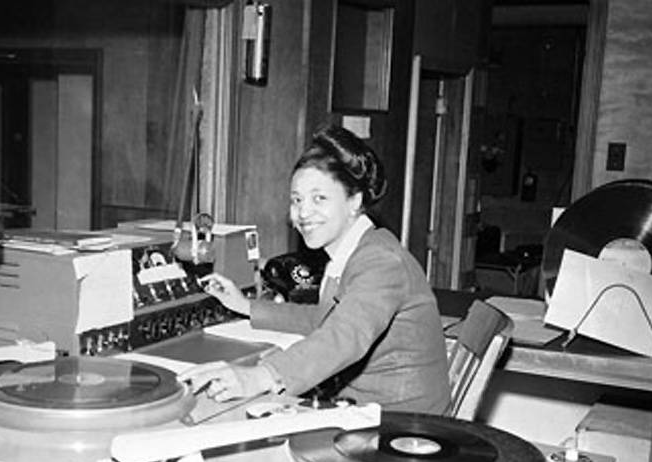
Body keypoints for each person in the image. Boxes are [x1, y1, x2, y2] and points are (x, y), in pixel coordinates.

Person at [179, 125, 451, 414]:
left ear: (354, 201)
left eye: (319, 198)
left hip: (402, 421)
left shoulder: (381, 261)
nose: (303, 212)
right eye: (297, 200)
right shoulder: (355, 250)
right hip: (373, 409)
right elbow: (326, 319)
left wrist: (261, 375)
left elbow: (345, 336)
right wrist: (247, 306)